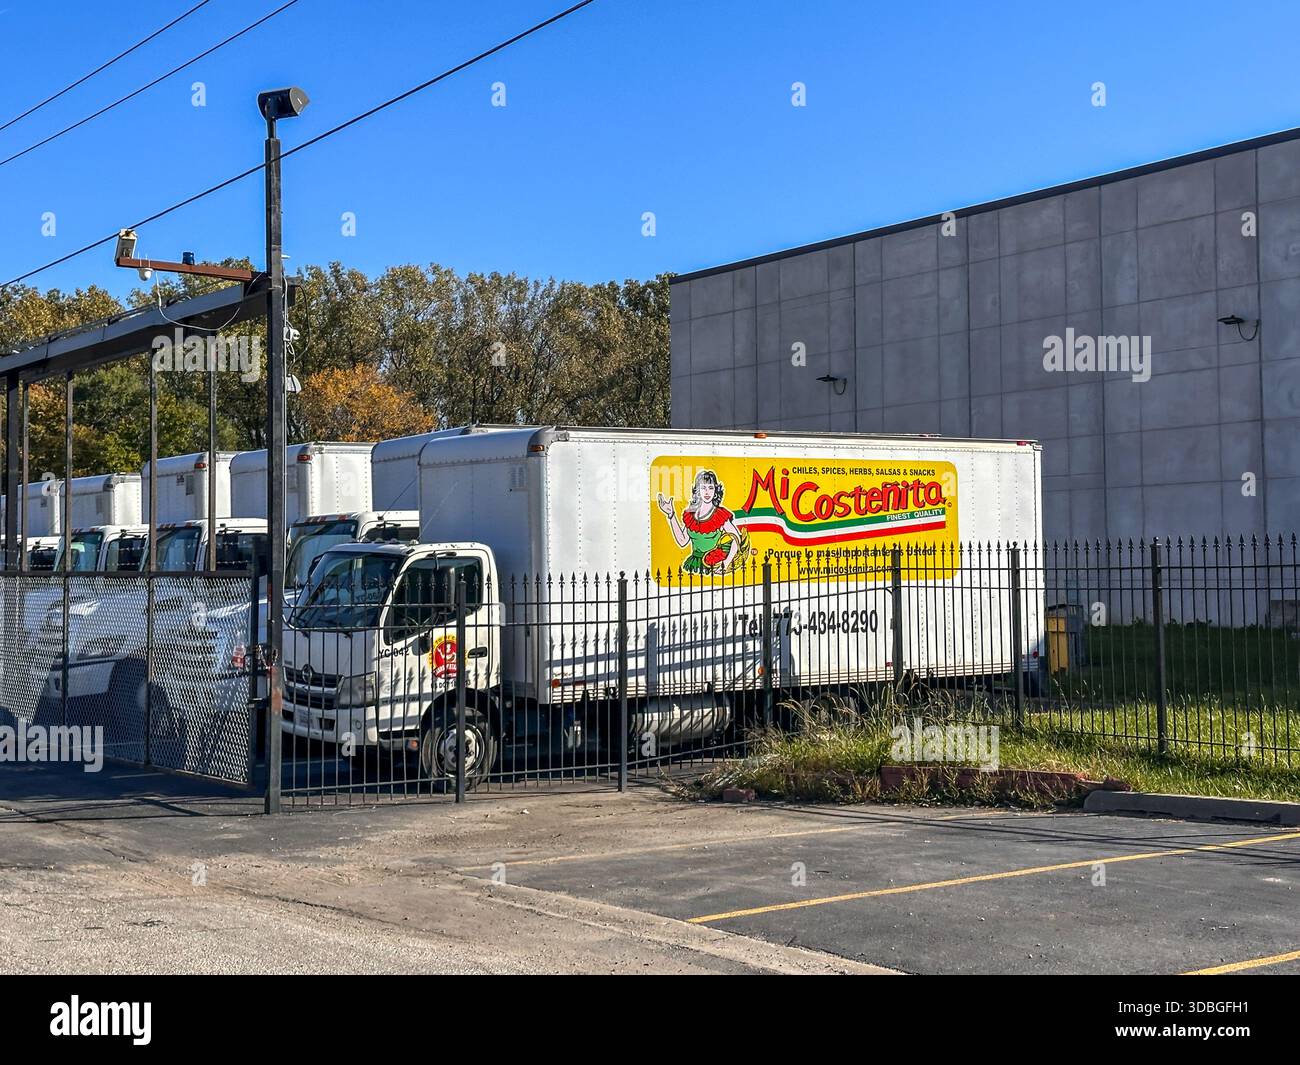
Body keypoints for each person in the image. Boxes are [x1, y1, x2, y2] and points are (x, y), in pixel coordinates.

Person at [656, 469, 743, 574]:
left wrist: (727, 562)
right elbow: (682, 541)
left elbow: (737, 538)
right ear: (697, 490)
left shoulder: (719, 514)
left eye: (711, 488)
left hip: (714, 564)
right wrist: (671, 514)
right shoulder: (691, 515)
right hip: (695, 564)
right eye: (703, 488)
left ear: (715, 491)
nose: (707, 492)